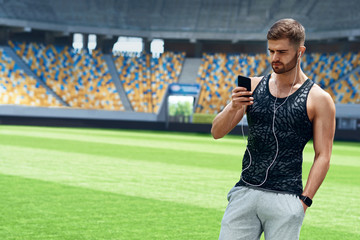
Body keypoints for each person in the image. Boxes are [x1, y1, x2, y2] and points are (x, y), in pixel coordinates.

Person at [212, 18, 336, 240]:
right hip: (245, 191)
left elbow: (323, 155)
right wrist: (233, 106)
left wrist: (304, 202)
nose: (274, 58)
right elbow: (216, 132)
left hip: (286, 198)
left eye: (281, 52)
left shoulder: (319, 99)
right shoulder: (252, 86)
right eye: (271, 51)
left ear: (300, 51)